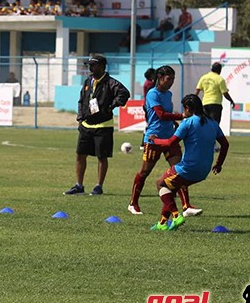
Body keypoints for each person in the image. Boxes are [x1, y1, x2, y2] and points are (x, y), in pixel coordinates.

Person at [127, 66, 201, 217]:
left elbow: (166, 115)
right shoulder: (152, 94)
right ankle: (133, 203)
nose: (171, 82)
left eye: (173, 79)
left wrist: (174, 124)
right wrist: (181, 116)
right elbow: (160, 114)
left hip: (170, 138)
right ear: (160, 78)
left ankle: (186, 206)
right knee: (144, 172)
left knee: (179, 170)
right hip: (154, 139)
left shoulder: (168, 94)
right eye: (169, 79)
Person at [148, 94, 228, 231]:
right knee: (171, 187)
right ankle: (162, 223)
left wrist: (154, 139)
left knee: (160, 183)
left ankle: (176, 215)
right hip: (204, 170)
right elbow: (225, 144)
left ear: (188, 108)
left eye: (183, 109)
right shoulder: (212, 123)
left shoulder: (188, 122)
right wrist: (219, 163)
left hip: (188, 168)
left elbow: (169, 143)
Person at [64, 54, 129, 196]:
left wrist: (110, 106)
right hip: (86, 126)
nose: (90, 68)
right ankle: (79, 186)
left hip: (103, 126)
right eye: (89, 65)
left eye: (93, 65)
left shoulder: (111, 83)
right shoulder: (88, 82)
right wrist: (80, 116)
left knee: (102, 156)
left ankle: (99, 186)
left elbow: (124, 94)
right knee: (80, 155)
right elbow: (82, 100)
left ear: (101, 66)